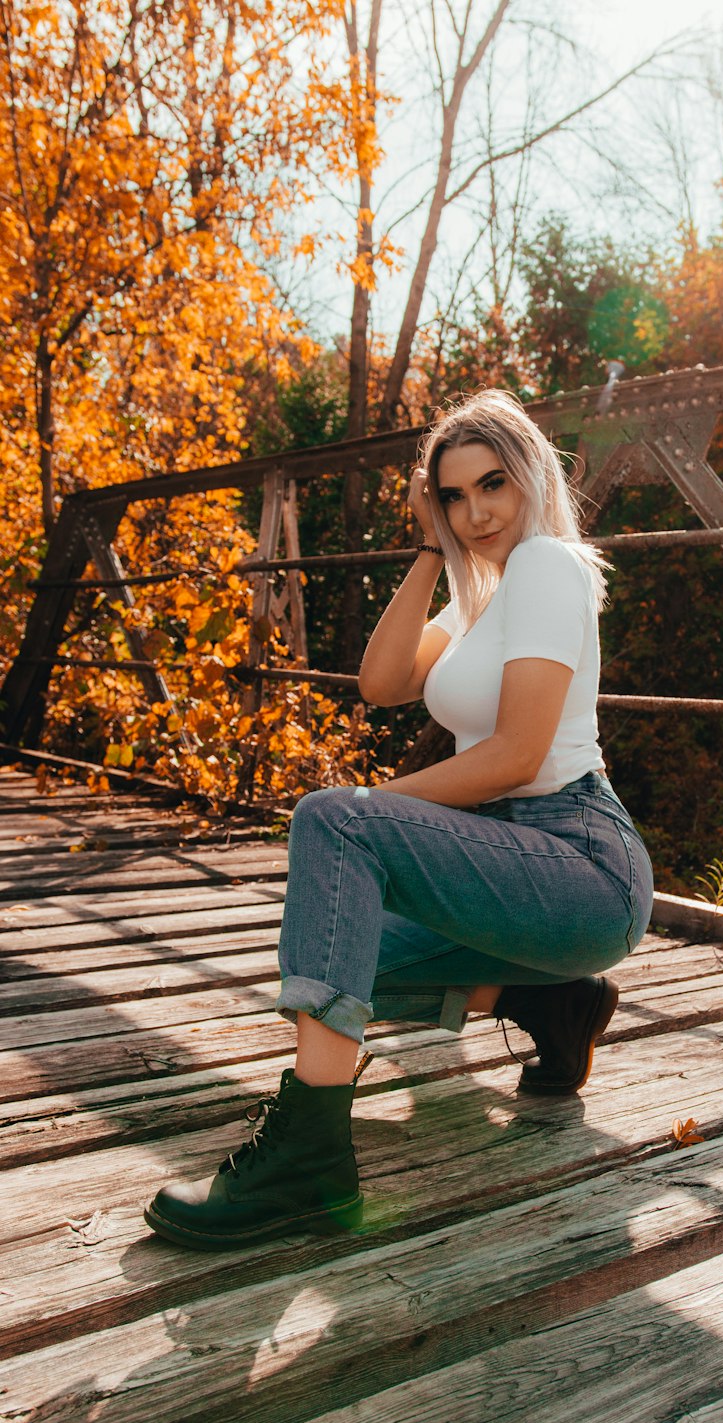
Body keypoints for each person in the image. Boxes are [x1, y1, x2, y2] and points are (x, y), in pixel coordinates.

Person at [144, 389, 655, 1250]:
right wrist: (429, 551)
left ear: (531, 476)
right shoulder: (479, 600)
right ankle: (552, 1000)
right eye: (453, 496)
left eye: (493, 484)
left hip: (580, 861)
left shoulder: (547, 566)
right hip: (505, 865)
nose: (476, 511)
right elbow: (381, 682)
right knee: (338, 956)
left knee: (334, 825)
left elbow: (518, 755)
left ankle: (308, 1156)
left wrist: (363, 812)